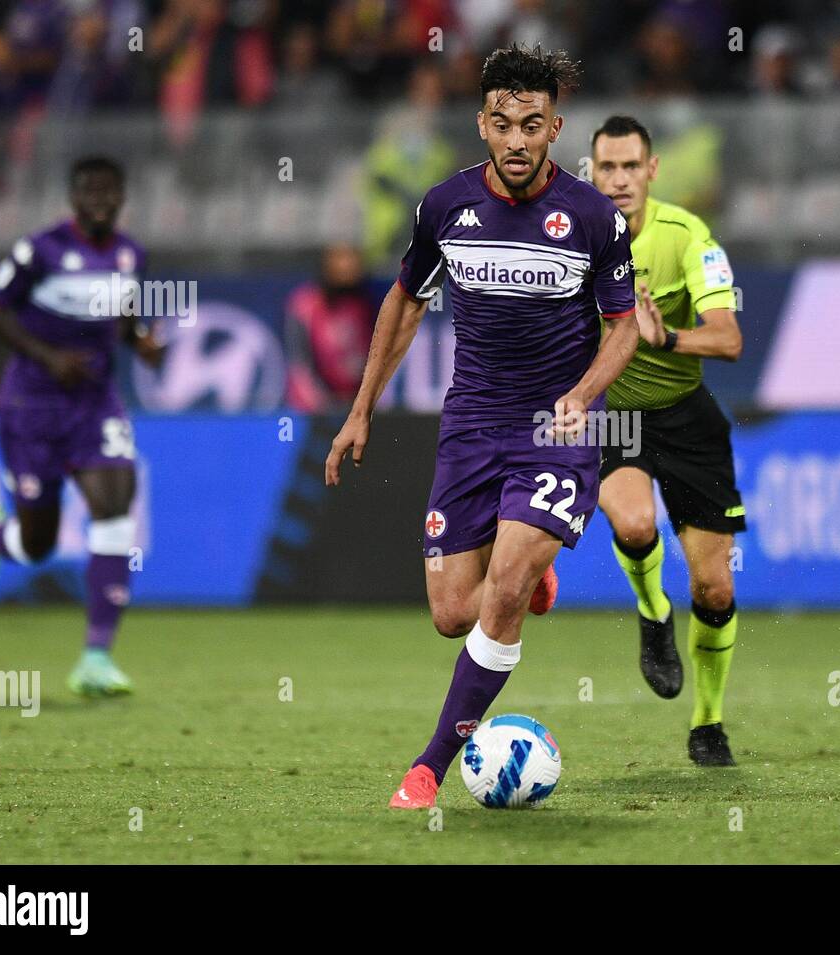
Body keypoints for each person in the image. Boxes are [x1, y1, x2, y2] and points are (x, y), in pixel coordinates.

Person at [325, 44, 640, 809]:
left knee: (500, 592)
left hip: (556, 431)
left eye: (533, 124)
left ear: (555, 127)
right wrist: (361, 406)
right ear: (483, 126)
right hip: (471, 424)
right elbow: (404, 303)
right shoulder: (445, 208)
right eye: (503, 123)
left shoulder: (594, 217)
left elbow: (625, 326)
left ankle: (428, 766)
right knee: (450, 614)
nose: (518, 140)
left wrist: (587, 390)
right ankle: (532, 580)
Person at [0, 156, 164, 696]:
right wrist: (48, 357)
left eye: (109, 191)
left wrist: (140, 341)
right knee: (39, 541)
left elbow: (123, 317)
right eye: (88, 191)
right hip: (32, 405)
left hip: (95, 404)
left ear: (122, 197)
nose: (99, 200)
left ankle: (96, 656)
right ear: (72, 198)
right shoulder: (40, 250)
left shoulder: (129, 255)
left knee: (115, 502)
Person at [591, 115, 745, 766]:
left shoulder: (688, 237)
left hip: (685, 417)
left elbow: (730, 339)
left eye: (631, 166)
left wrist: (669, 339)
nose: (620, 179)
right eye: (607, 168)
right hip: (616, 416)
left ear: (653, 170)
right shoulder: (571, 239)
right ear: (590, 172)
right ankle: (654, 612)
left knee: (714, 590)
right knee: (631, 519)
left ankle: (707, 722)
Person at [284, 243, 378, 413]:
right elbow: (300, 361)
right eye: (342, 257)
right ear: (328, 262)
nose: (350, 264)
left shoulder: (362, 304)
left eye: (353, 257)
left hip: (354, 404)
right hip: (313, 409)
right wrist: (322, 402)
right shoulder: (306, 304)